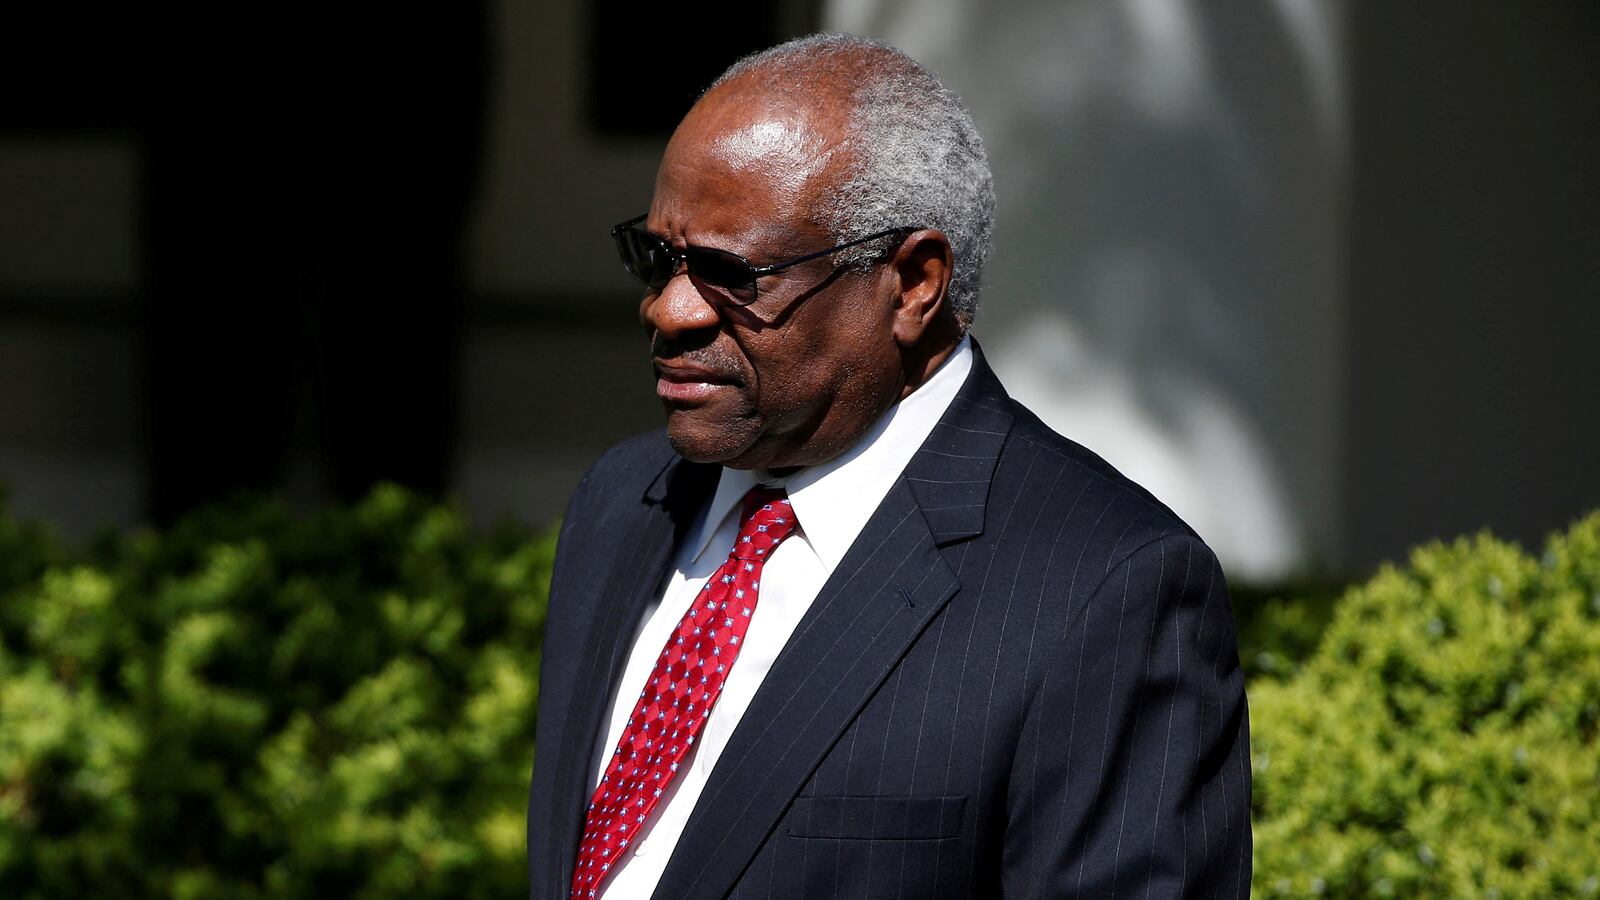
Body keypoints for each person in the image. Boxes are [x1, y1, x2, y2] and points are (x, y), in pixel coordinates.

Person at [527, 33, 1250, 899]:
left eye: (730, 274)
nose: (669, 309)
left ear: (912, 283)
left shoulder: (1103, 589)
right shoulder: (622, 503)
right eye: (658, 258)